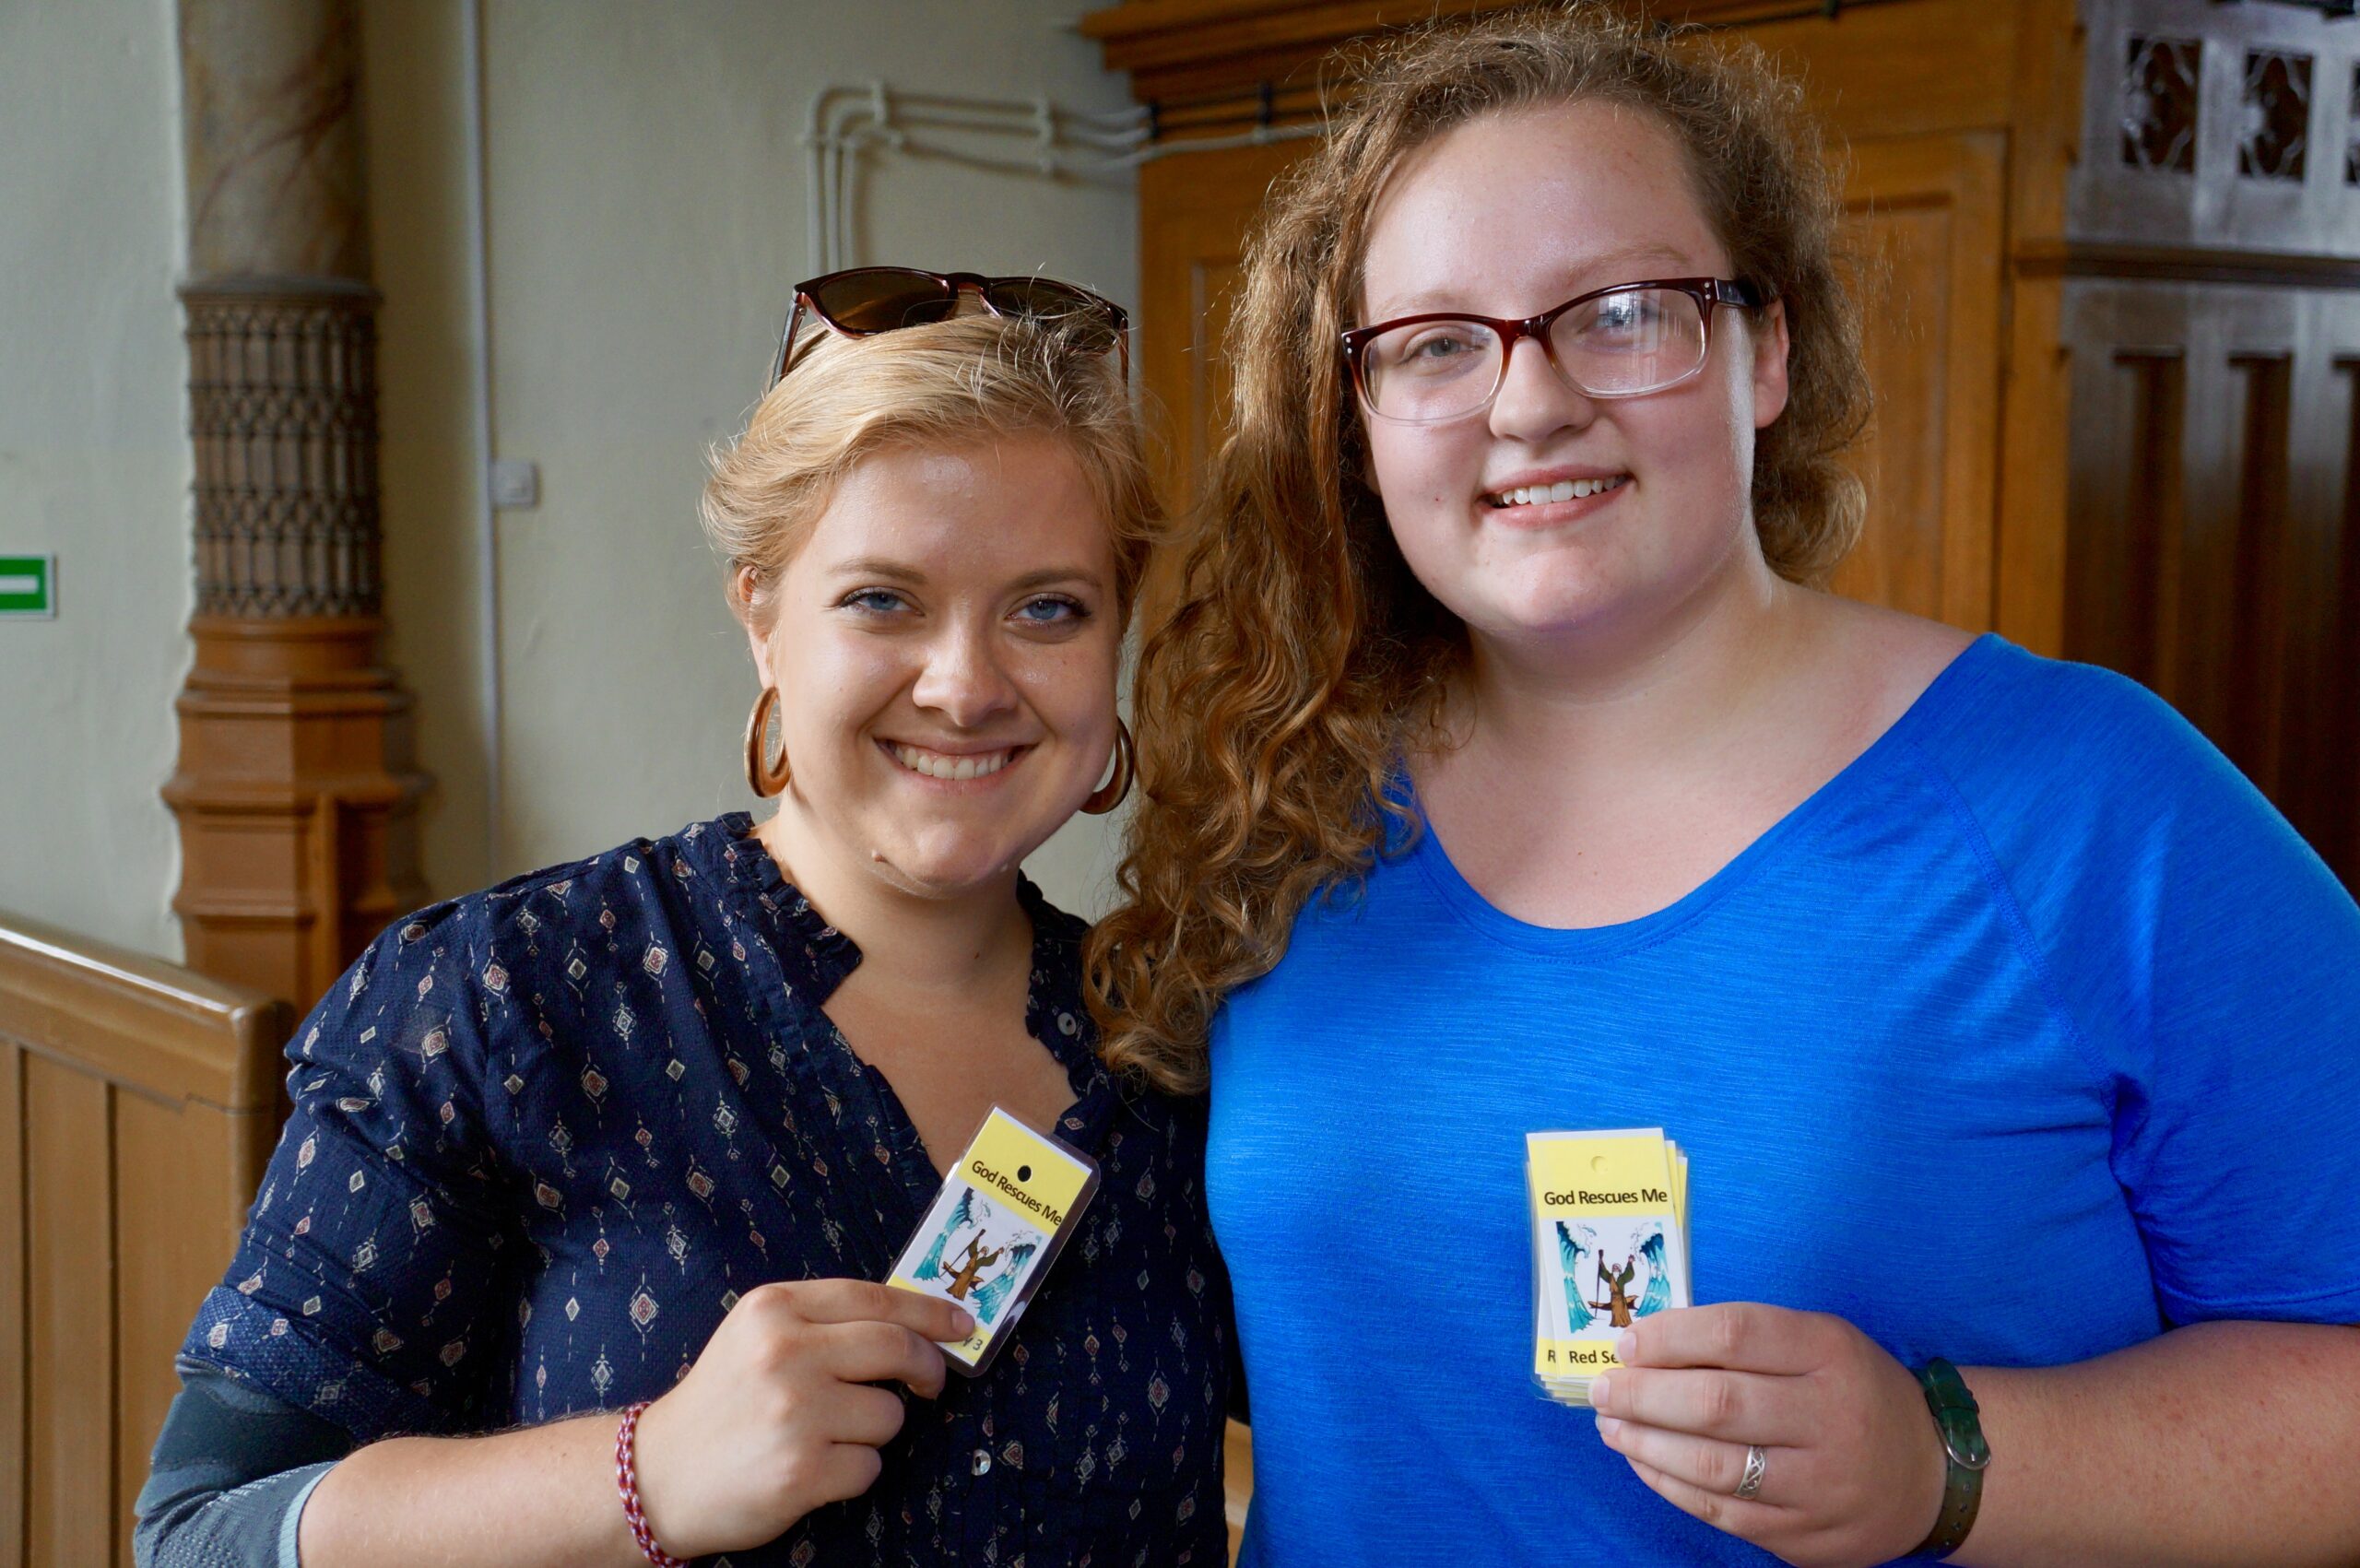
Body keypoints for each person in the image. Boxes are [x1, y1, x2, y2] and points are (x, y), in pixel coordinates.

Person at [1086, 10, 2360, 1567]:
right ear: (1354, 422)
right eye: (1433, 342)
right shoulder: (1281, 804)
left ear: (1766, 348)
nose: (1529, 402)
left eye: (1621, 311)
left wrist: (1950, 1463)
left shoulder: (2086, 808)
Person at [136, 274, 1232, 1568]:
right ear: (761, 615)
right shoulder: (505, 997)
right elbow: (199, 1535)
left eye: (1048, 607)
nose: (965, 683)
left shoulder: (1172, 1052)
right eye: (883, 599)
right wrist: (643, 1469)